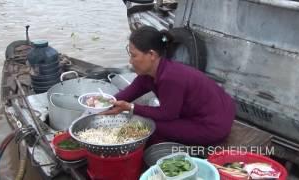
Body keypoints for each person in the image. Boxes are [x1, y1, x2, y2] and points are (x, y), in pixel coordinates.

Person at [101, 26, 236, 146]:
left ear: (151, 55)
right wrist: (103, 103)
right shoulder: (149, 73)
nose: (130, 61)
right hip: (216, 110)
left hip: (213, 125)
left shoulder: (170, 78)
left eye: (134, 56)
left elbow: (167, 114)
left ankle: (158, 155)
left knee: (148, 125)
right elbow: (128, 93)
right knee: (144, 117)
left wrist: (130, 107)